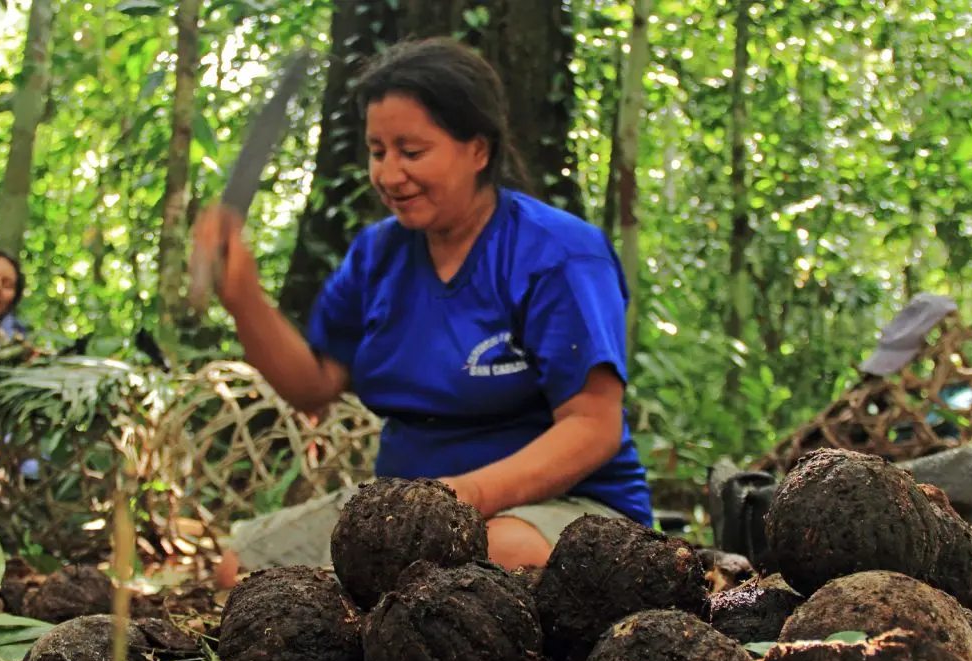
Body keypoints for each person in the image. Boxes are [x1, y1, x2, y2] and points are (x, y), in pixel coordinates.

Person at [191, 37, 652, 587]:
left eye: (411, 152)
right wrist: (243, 299)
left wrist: (459, 499)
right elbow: (313, 387)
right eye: (377, 151)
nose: (388, 175)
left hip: (564, 505)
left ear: (478, 150)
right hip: (409, 505)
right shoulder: (377, 254)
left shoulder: (558, 254)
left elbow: (593, 427)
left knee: (495, 559)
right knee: (243, 572)